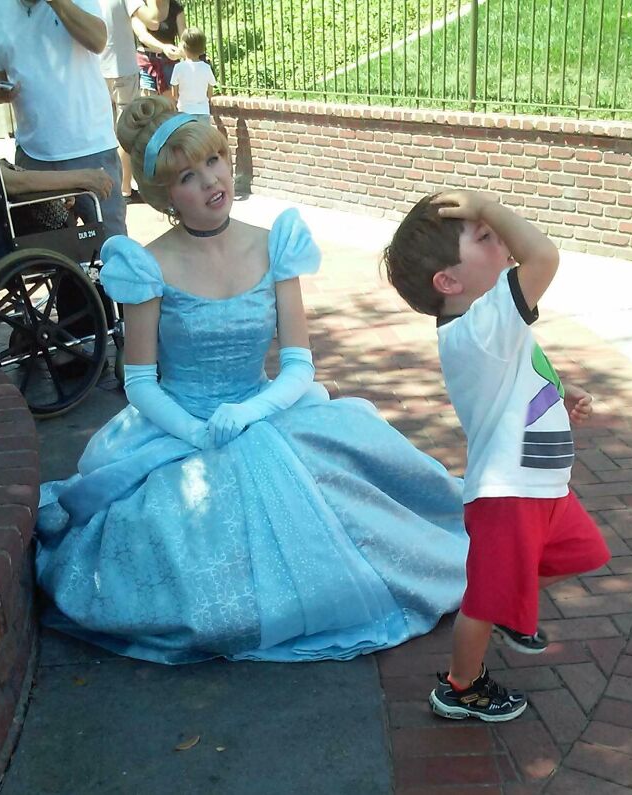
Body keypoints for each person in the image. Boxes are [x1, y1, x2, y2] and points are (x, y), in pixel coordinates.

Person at [34, 96, 470, 665]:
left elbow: (298, 363)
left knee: (380, 521)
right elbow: (138, 380)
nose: (212, 180)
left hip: (267, 410)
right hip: (179, 429)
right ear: (167, 195)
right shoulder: (147, 264)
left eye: (214, 161)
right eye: (189, 176)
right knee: (187, 568)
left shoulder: (274, 242)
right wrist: (194, 434)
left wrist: (252, 412)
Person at [383, 190, 611, 721]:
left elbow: (522, 363)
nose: (502, 238)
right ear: (449, 282)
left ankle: (510, 608)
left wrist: (562, 388)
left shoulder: (488, 326)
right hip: (510, 494)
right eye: (486, 237)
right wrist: (485, 204)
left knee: (584, 552)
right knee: (481, 602)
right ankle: (461, 686)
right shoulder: (479, 327)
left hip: (540, 487)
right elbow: (546, 257)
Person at [0, 0, 126, 240]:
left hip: (92, 149)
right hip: (33, 156)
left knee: (113, 247)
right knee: (51, 253)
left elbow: (98, 40)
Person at [99, 0, 166, 204]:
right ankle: (124, 189)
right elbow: (153, 21)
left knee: (103, 132)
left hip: (95, 71)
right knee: (125, 132)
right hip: (123, 71)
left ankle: (104, 187)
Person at [136, 0, 185, 98]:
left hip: (169, 63)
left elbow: (184, 36)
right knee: (148, 107)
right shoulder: (140, 5)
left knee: (171, 106)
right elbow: (142, 36)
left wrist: (181, 50)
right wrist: (163, 48)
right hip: (146, 64)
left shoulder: (175, 7)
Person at [170, 27, 216, 123]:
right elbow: (210, 93)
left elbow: (174, 94)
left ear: (184, 47)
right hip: (203, 110)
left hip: (184, 111)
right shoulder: (206, 68)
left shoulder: (178, 67)